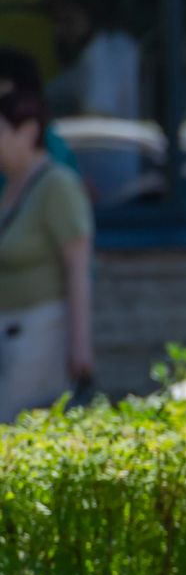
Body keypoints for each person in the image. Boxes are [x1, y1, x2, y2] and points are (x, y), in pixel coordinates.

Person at [0, 72, 91, 424]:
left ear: (28, 132)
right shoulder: (9, 186)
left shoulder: (57, 185)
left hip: (40, 335)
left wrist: (81, 347)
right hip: (8, 332)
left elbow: (78, 268)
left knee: (16, 432)